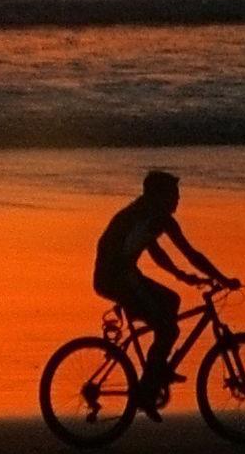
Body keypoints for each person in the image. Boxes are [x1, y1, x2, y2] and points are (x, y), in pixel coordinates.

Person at [92, 169, 236, 418]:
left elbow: (156, 252)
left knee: (171, 300)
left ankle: (157, 370)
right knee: (168, 329)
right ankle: (147, 389)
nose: (177, 200)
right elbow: (191, 254)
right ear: (158, 197)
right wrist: (222, 278)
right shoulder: (151, 217)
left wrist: (183, 277)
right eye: (173, 195)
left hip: (122, 274)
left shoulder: (144, 214)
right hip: (117, 277)